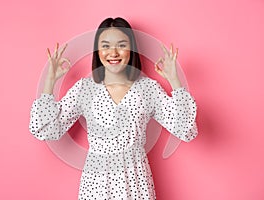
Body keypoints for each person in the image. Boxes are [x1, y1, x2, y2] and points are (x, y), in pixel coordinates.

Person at [29, 17, 197, 200]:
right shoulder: (85, 88)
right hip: (96, 184)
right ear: (97, 50)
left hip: (135, 182)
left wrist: (175, 81)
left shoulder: (148, 88)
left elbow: (185, 129)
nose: (113, 52)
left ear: (131, 49)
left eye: (121, 45)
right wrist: (50, 81)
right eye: (106, 46)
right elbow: (46, 129)